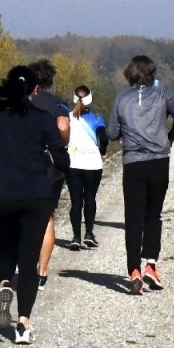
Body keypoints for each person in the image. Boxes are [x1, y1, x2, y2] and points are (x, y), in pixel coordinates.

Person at [0, 65, 69, 345]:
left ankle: (4, 286)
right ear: (35, 89)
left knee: (4, 252)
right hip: (36, 195)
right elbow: (62, 158)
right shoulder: (41, 118)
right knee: (28, 262)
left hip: (1, 194)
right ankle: (23, 324)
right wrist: (54, 164)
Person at [106, 55, 174, 294]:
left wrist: (123, 132)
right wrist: (169, 138)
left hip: (133, 161)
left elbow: (111, 132)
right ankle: (151, 265)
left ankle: (134, 271)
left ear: (130, 74)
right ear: (152, 73)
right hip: (159, 160)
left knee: (133, 218)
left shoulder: (121, 97)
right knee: (154, 215)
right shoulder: (164, 94)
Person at [29, 60, 72, 287]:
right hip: (50, 166)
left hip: (25, 163)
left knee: (24, 213)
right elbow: (64, 127)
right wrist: (60, 143)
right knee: (47, 217)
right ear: (50, 80)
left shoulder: (22, 102)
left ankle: (23, 263)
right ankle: (42, 271)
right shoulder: (58, 103)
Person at [65, 85, 108, 250]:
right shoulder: (97, 117)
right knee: (90, 198)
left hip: (73, 164)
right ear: (90, 98)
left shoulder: (67, 117)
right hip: (93, 164)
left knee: (76, 201)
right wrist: (102, 151)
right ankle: (89, 233)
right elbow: (103, 137)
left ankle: (75, 237)